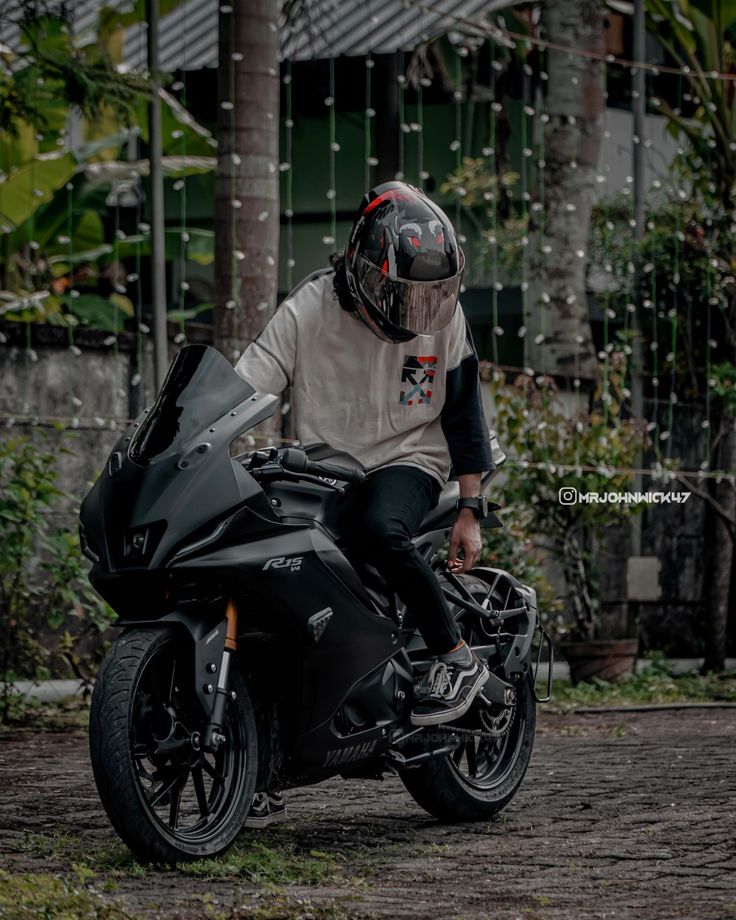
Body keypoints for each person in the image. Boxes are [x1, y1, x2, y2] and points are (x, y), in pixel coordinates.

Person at [235, 181, 494, 827]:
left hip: (410, 457)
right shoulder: (308, 310)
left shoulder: (442, 317)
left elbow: (464, 415)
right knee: (274, 588)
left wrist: (471, 508)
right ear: (363, 265)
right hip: (329, 463)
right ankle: (261, 769)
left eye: (433, 293)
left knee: (383, 528)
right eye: (404, 291)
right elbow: (249, 381)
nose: (419, 308)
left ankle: (455, 659)